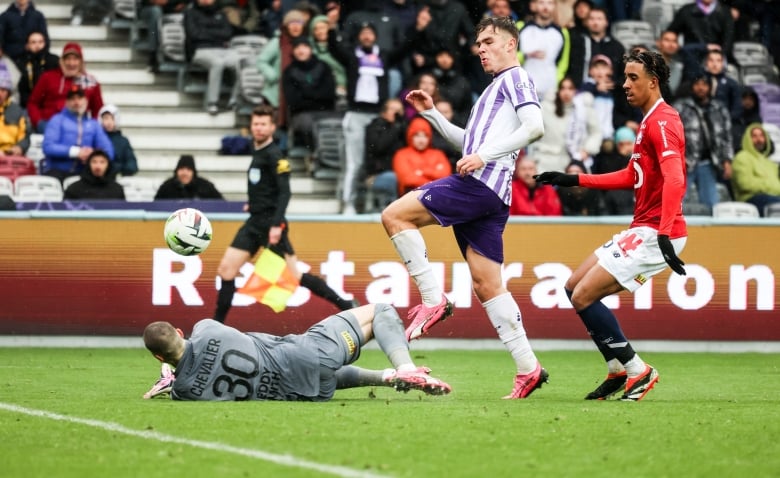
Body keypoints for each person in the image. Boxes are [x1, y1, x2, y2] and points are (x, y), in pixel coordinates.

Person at [382, 16, 547, 399]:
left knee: (394, 215)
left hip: (480, 185)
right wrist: (433, 114)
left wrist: (483, 156)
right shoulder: (492, 91)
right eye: (478, 44)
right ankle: (529, 368)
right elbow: (468, 145)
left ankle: (431, 299)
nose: (481, 49)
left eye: (489, 41)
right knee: (488, 284)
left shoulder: (515, 78)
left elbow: (535, 127)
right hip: (494, 196)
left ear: (511, 44)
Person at [535, 50, 688, 401]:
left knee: (585, 295)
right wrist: (573, 178)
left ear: (653, 81)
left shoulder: (663, 121)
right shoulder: (647, 121)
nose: (625, 85)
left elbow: (675, 177)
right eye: (624, 77)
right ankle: (617, 370)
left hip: (657, 232)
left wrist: (664, 230)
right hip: (645, 228)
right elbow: (630, 175)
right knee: (573, 288)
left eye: (633, 78)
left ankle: (639, 370)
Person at [214, 105, 357, 324]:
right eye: (255, 124)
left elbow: (285, 192)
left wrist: (276, 224)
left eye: (263, 124)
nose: (259, 128)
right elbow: (266, 188)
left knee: (295, 275)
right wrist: (253, 205)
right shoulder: (258, 152)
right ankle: (216, 326)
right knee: (226, 269)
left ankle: (345, 305)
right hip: (254, 222)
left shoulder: (275, 156)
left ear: (272, 127)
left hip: (272, 224)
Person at [142, 303, 452, 401]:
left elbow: (179, 376)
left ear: (158, 358)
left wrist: (170, 374)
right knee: (381, 311)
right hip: (308, 354)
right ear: (181, 333)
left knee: (315, 374)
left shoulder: (184, 391)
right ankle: (406, 366)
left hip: (305, 395)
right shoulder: (206, 328)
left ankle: (387, 377)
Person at [328, 14, 427, 215]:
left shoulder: (383, 55)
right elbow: (333, 49)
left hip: (377, 116)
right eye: (363, 33)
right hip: (356, 113)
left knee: (374, 159)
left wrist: (418, 29)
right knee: (354, 162)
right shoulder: (352, 56)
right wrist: (331, 28)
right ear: (358, 37)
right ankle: (349, 203)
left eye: (370, 33)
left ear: (375, 36)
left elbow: (404, 49)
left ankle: (377, 202)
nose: (366, 36)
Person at [673, 73, 733, 209]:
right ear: (692, 87)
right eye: (697, 84)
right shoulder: (680, 107)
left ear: (710, 87)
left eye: (705, 84)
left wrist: (727, 160)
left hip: (708, 162)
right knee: (676, 203)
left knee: (712, 204)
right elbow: (670, 135)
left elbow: (726, 136)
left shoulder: (719, 108)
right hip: (684, 163)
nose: (701, 88)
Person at [41, 85, 113, 182]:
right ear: (66, 102)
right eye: (72, 99)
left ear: (86, 101)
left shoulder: (93, 124)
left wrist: (92, 154)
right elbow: (48, 147)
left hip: (84, 173)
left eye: (80, 98)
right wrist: (76, 152)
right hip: (57, 171)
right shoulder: (57, 120)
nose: (76, 102)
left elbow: (108, 151)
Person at [27, 42, 104, 133]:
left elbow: (98, 110)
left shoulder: (91, 82)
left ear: (81, 61)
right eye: (68, 59)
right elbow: (33, 103)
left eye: (75, 59)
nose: (71, 63)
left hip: (79, 127)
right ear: (62, 61)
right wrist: (39, 122)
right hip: (49, 125)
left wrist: (91, 128)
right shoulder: (48, 77)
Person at [184, 0, 242, 115]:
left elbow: (228, 33)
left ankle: (234, 100)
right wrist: (217, 35)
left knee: (241, 62)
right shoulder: (190, 13)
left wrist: (206, 33)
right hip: (200, 50)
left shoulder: (221, 13)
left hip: (223, 49)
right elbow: (194, 34)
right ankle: (212, 103)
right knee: (218, 62)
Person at [282, 37, 337, 151]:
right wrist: (317, 95)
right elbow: (293, 101)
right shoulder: (289, 72)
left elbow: (329, 93)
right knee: (310, 126)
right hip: (301, 115)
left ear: (310, 49)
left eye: (304, 47)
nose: (301, 51)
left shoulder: (324, 67)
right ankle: (317, 156)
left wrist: (306, 93)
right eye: (297, 48)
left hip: (326, 112)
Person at [517, 0, 571, 99]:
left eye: (550, 3)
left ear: (555, 6)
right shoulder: (521, 27)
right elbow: (509, 57)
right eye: (541, 2)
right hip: (523, 89)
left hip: (550, 91)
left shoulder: (563, 32)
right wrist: (526, 55)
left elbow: (564, 62)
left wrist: (556, 82)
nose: (546, 7)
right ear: (534, 5)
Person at [363, 98, 406, 211]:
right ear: (384, 112)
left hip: (401, 172)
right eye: (393, 109)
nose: (397, 113)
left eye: (399, 110)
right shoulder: (374, 127)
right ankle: (394, 210)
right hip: (376, 175)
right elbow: (379, 147)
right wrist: (395, 128)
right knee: (393, 178)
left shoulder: (403, 128)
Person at [392, 116, 451, 196]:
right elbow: (407, 180)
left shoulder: (438, 154)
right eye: (417, 135)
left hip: (437, 196)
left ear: (429, 138)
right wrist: (433, 178)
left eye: (425, 136)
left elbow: (445, 176)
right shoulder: (401, 154)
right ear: (411, 136)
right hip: (411, 196)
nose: (421, 140)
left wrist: (423, 172)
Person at [730, 123, 780, 216]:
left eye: (762, 136)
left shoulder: (770, 163)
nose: (759, 139)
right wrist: (770, 186)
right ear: (748, 139)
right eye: (754, 136)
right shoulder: (742, 157)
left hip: (772, 197)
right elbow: (745, 184)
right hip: (751, 199)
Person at [592, 126, 635, 215]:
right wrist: (623, 157)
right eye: (621, 144)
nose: (625, 147)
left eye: (628, 143)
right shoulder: (608, 159)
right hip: (617, 200)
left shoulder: (642, 155)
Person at [14, 30, 58, 109]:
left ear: (45, 43)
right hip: (27, 105)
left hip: (50, 104)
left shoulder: (54, 61)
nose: (37, 45)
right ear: (27, 45)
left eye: (40, 42)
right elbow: (21, 89)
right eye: (33, 42)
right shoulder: (21, 62)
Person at [154, 154, 224, 200]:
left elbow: (222, 205)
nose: (185, 173)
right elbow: (155, 206)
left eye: (188, 169)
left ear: (193, 172)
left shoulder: (205, 186)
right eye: (181, 169)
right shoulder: (166, 187)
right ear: (176, 171)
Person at [98, 104, 138, 177]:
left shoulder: (123, 141)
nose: (109, 122)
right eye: (106, 118)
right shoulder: (95, 139)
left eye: (112, 118)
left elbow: (132, 166)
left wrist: (117, 167)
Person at [0, 67, 30, 157]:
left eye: (3, 90)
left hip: (10, 157)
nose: (0, 94)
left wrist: (19, 147)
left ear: (9, 92)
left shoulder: (17, 111)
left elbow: (25, 136)